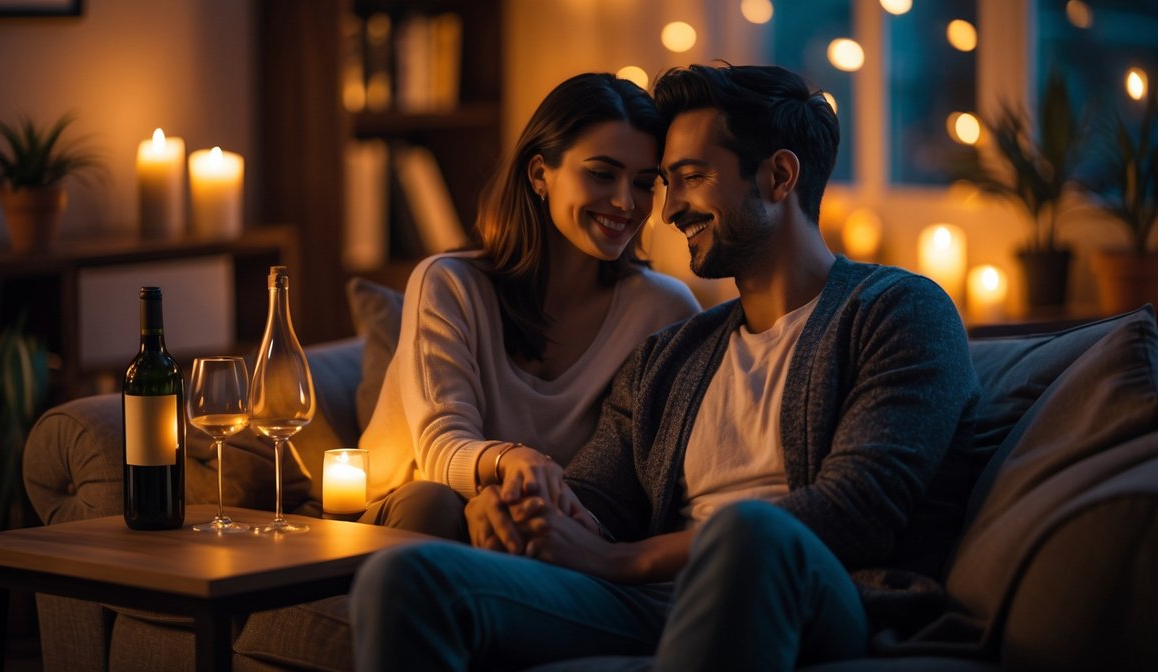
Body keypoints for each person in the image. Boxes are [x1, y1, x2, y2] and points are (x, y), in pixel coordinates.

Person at [350, 64, 981, 671]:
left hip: (816, 595)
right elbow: (596, 497)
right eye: (669, 182)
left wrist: (621, 562)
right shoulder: (674, 350)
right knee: (410, 577)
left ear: (780, 176)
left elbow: (857, 511)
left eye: (689, 177)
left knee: (748, 536)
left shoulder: (899, 311)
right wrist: (526, 514)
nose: (668, 208)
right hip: (652, 605)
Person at [356, 71, 700, 541]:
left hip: (544, 531)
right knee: (431, 503)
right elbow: (439, 448)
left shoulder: (662, 309)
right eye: (602, 173)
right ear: (540, 173)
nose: (625, 202)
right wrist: (515, 460)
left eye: (643, 183)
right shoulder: (449, 283)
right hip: (410, 515)